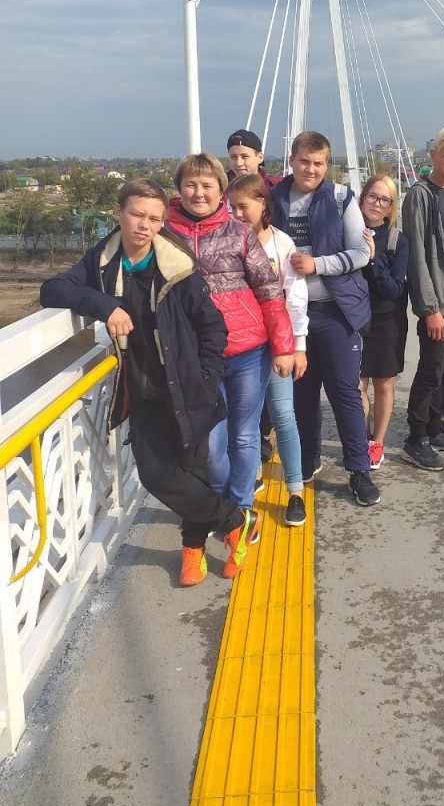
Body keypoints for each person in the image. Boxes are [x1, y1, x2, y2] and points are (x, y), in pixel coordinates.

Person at [39, 179, 261, 587]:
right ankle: (236, 521)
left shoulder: (177, 266)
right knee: (157, 475)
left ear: (162, 222)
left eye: (155, 219)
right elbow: (52, 289)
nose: (145, 225)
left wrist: (207, 378)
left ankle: (192, 550)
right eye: (137, 215)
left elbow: (213, 328)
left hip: (188, 386)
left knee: (192, 470)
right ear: (119, 212)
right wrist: (106, 306)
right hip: (142, 390)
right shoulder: (103, 260)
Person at [166, 153, 294, 509]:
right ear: (179, 188)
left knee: (244, 435)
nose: (198, 192)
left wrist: (284, 346)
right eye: (190, 184)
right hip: (196, 356)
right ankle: (223, 507)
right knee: (210, 444)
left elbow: (270, 291)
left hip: (248, 352)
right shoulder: (164, 234)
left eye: (207, 185)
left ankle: (239, 509)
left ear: (220, 190)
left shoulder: (239, 233)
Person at [271, 130, 381, 506]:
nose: (311, 169)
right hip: (290, 316)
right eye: (304, 161)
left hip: (335, 312)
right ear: (291, 160)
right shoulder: (273, 199)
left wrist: (316, 264)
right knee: (301, 393)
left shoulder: (340, 198)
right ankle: (308, 458)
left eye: (319, 163)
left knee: (345, 393)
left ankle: (358, 470)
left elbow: (361, 253)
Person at [228, 172, 309, 528]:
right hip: (241, 347)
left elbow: (296, 298)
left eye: (243, 206)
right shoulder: (226, 241)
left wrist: (297, 347)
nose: (237, 215)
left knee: (283, 415)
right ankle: (247, 486)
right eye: (231, 208)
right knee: (243, 422)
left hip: (276, 345)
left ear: (263, 204)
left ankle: (295, 491)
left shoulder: (282, 243)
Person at [400, 126, 444, 471]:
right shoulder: (421, 195)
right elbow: (417, 254)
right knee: (431, 370)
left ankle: (434, 426)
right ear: (433, 156)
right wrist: (429, 309)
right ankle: (416, 438)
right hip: (438, 302)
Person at [358, 174, 409, 470]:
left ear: (391, 206)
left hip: (386, 319)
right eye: (372, 196)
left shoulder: (397, 240)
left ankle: (377, 443)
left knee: (383, 382)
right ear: (363, 197)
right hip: (353, 316)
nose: (377, 204)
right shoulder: (348, 231)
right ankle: (361, 439)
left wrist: (373, 258)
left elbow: (394, 289)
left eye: (385, 200)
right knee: (356, 383)